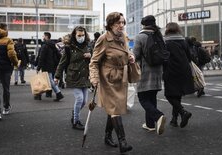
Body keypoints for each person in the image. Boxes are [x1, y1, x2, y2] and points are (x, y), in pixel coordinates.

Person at [89, 12, 133, 154]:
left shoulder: (124, 37)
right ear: (110, 24)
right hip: (107, 78)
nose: (121, 25)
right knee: (115, 108)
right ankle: (123, 142)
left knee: (113, 108)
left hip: (121, 76)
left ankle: (107, 136)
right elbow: (94, 62)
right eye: (118, 23)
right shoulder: (103, 39)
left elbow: (127, 53)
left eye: (123, 22)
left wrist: (131, 57)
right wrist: (94, 78)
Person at [132, 15, 166, 134]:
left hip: (145, 71)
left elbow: (135, 55)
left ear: (143, 24)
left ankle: (158, 116)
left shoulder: (140, 36)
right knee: (152, 98)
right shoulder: (159, 35)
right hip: (157, 71)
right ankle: (150, 124)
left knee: (142, 98)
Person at [54, 26, 91, 130]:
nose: (81, 37)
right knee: (79, 99)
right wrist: (57, 76)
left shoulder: (88, 46)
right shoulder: (68, 48)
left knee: (84, 101)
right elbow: (61, 64)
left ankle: (75, 112)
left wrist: (90, 56)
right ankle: (75, 121)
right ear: (74, 35)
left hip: (85, 76)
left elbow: (94, 61)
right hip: (73, 76)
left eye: (83, 35)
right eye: (79, 35)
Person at [163, 22, 194, 128]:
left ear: (167, 30)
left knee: (169, 95)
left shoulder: (165, 41)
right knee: (177, 95)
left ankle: (183, 112)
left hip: (171, 71)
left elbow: (163, 57)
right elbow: (189, 57)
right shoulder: (183, 41)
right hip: (184, 71)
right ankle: (174, 119)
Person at [0, 23, 19, 121]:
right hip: (6, 68)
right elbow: (11, 54)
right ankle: (6, 107)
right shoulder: (8, 40)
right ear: (4, 29)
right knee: (6, 88)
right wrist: (16, 63)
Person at [36, 32, 64, 101]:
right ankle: (39, 94)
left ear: (46, 37)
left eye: (43, 36)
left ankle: (58, 93)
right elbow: (58, 55)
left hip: (46, 65)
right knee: (48, 80)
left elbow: (41, 57)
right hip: (51, 65)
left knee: (49, 81)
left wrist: (38, 67)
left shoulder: (45, 45)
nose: (43, 37)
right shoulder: (53, 45)